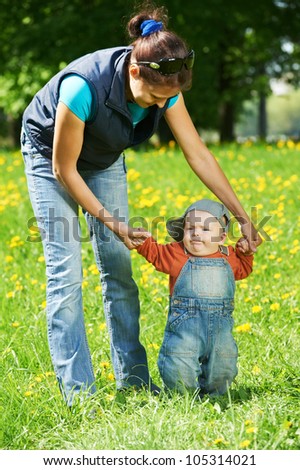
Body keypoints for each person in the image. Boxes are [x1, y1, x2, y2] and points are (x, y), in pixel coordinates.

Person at [20, 2, 261, 406]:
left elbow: (197, 152)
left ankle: (133, 381)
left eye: (163, 100)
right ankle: (79, 394)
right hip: (51, 159)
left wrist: (241, 216)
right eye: (151, 97)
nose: (156, 105)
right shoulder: (83, 87)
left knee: (118, 270)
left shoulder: (165, 87)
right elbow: (65, 171)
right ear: (134, 71)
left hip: (104, 156)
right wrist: (112, 222)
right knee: (66, 275)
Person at [136, 199, 254, 396]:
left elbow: (243, 270)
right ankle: (182, 397)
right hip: (185, 329)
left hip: (221, 331)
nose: (197, 233)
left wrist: (246, 255)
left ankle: (216, 396)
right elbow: (155, 253)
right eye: (191, 228)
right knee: (179, 362)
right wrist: (143, 241)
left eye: (206, 229)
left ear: (222, 237)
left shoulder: (229, 256)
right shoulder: (177, 253)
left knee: (224, 364)